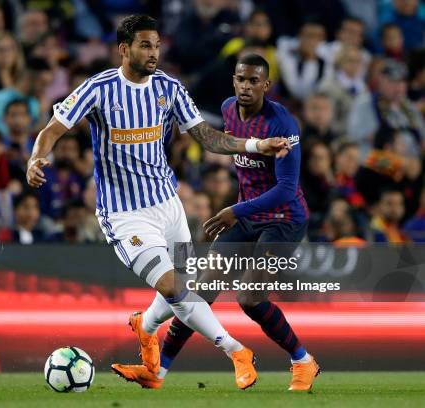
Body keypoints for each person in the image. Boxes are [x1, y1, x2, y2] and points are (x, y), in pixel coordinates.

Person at [27, 15, 291, 391]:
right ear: (124, 48)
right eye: (145, 45)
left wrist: (255, 145)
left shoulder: (168, 87)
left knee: (187, 287)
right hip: (124, 215)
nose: (154, 53)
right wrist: (36, 158)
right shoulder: (98, 88)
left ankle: (145, 325)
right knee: (173, 286)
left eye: (156, 45)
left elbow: (207, 137)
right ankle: (236, 350)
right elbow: (52, 129)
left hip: (168, 206)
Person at [120, 54, 320, 391]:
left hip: (283, 220)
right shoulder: (228, 109)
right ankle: (158, 373)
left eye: (254, 81)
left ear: (266, 86)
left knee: (250, 299)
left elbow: (286, 189)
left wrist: (234, 212)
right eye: (241, 79)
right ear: (233, 81)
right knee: (198, 293)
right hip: (245, 214)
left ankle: (303, 362)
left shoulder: (282, 124)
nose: (246, 86)